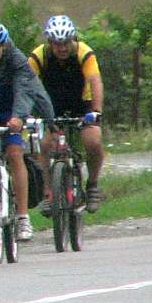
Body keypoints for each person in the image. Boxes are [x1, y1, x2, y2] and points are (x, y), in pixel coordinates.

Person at [0, 21, 54, 242]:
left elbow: (25, 88)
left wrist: (19, 117)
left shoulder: (16, 59)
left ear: (3, 46)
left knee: (15, 154)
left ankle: (23, 216)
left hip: (11, 112)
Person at [28, 15, 106, 214]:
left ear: (73, 39)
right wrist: (25, 114)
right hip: (50, 107)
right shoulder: (39, 56)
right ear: (49, 42)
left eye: (65, 43)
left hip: (82, 104)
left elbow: (95, 81)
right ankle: (48, 192)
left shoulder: (84, 52)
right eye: (56, 44)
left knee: (93, 141)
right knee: (43, 144)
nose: (62, 48)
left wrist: (96, 112)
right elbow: (25, 85)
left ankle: (93, 185)